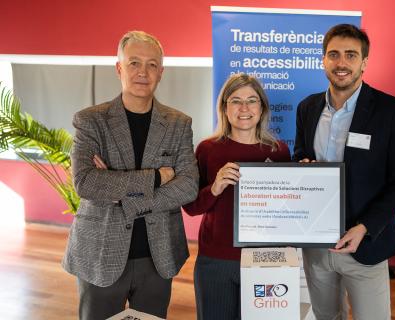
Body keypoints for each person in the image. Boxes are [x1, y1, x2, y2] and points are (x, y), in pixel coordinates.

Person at [62, 30, 199, 320]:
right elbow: (86, 183)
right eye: (134, 62)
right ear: (119, 68)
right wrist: (157, 178)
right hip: (100, 252)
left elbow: (188, 186)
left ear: (161, 72)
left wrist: (118, 187)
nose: (143, 72)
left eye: (152, 64)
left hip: (158, 255)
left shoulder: (178, 124)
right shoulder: (90, 121)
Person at [294, 24, 395, 320]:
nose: (341, 63)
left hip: (365, 245)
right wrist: (303, 166)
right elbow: (301, 154)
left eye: (351, 55)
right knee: (325, 317)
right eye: (334, 54)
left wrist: (364, 227)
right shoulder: (307, 108)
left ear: (363, 62)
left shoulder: (391, 111)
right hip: (317, 244)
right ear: (323, 60)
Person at [183, 73, 291, 320]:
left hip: (266, 258)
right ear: (224, 107)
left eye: (252, 100)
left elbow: (288, 207)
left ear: (262, 107)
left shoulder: (279, 151)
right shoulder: (207, 149)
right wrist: (215, 187)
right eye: (235, 101)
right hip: (217, 260)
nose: (244, 108)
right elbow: (191, 207)